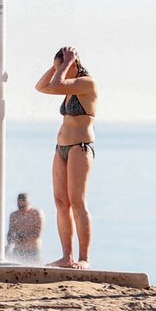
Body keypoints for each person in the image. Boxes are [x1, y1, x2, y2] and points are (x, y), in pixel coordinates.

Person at [34, 46, 97, 269]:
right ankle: (66, 257)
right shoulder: (67, 87)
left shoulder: (86, 83)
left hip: (79, 148)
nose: (59, 71)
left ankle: (84, 258)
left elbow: (56, 84)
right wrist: (55, 66)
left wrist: (68, 61)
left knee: (78, 201)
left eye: (62, 67)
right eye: (57, 67)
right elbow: (41, 87)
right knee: (61, 202)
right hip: (60, 149)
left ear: (74, 65)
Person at [5, 192, 45, 264]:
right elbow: (10, 233)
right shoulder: (14, 215)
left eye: (24, 206)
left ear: (29, 203)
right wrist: (8, 245)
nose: (22, 209)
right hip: (18, 250)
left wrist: (21, 240)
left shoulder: (36, 213)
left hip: (33, 250)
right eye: (20, 207)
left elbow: (37, 234)